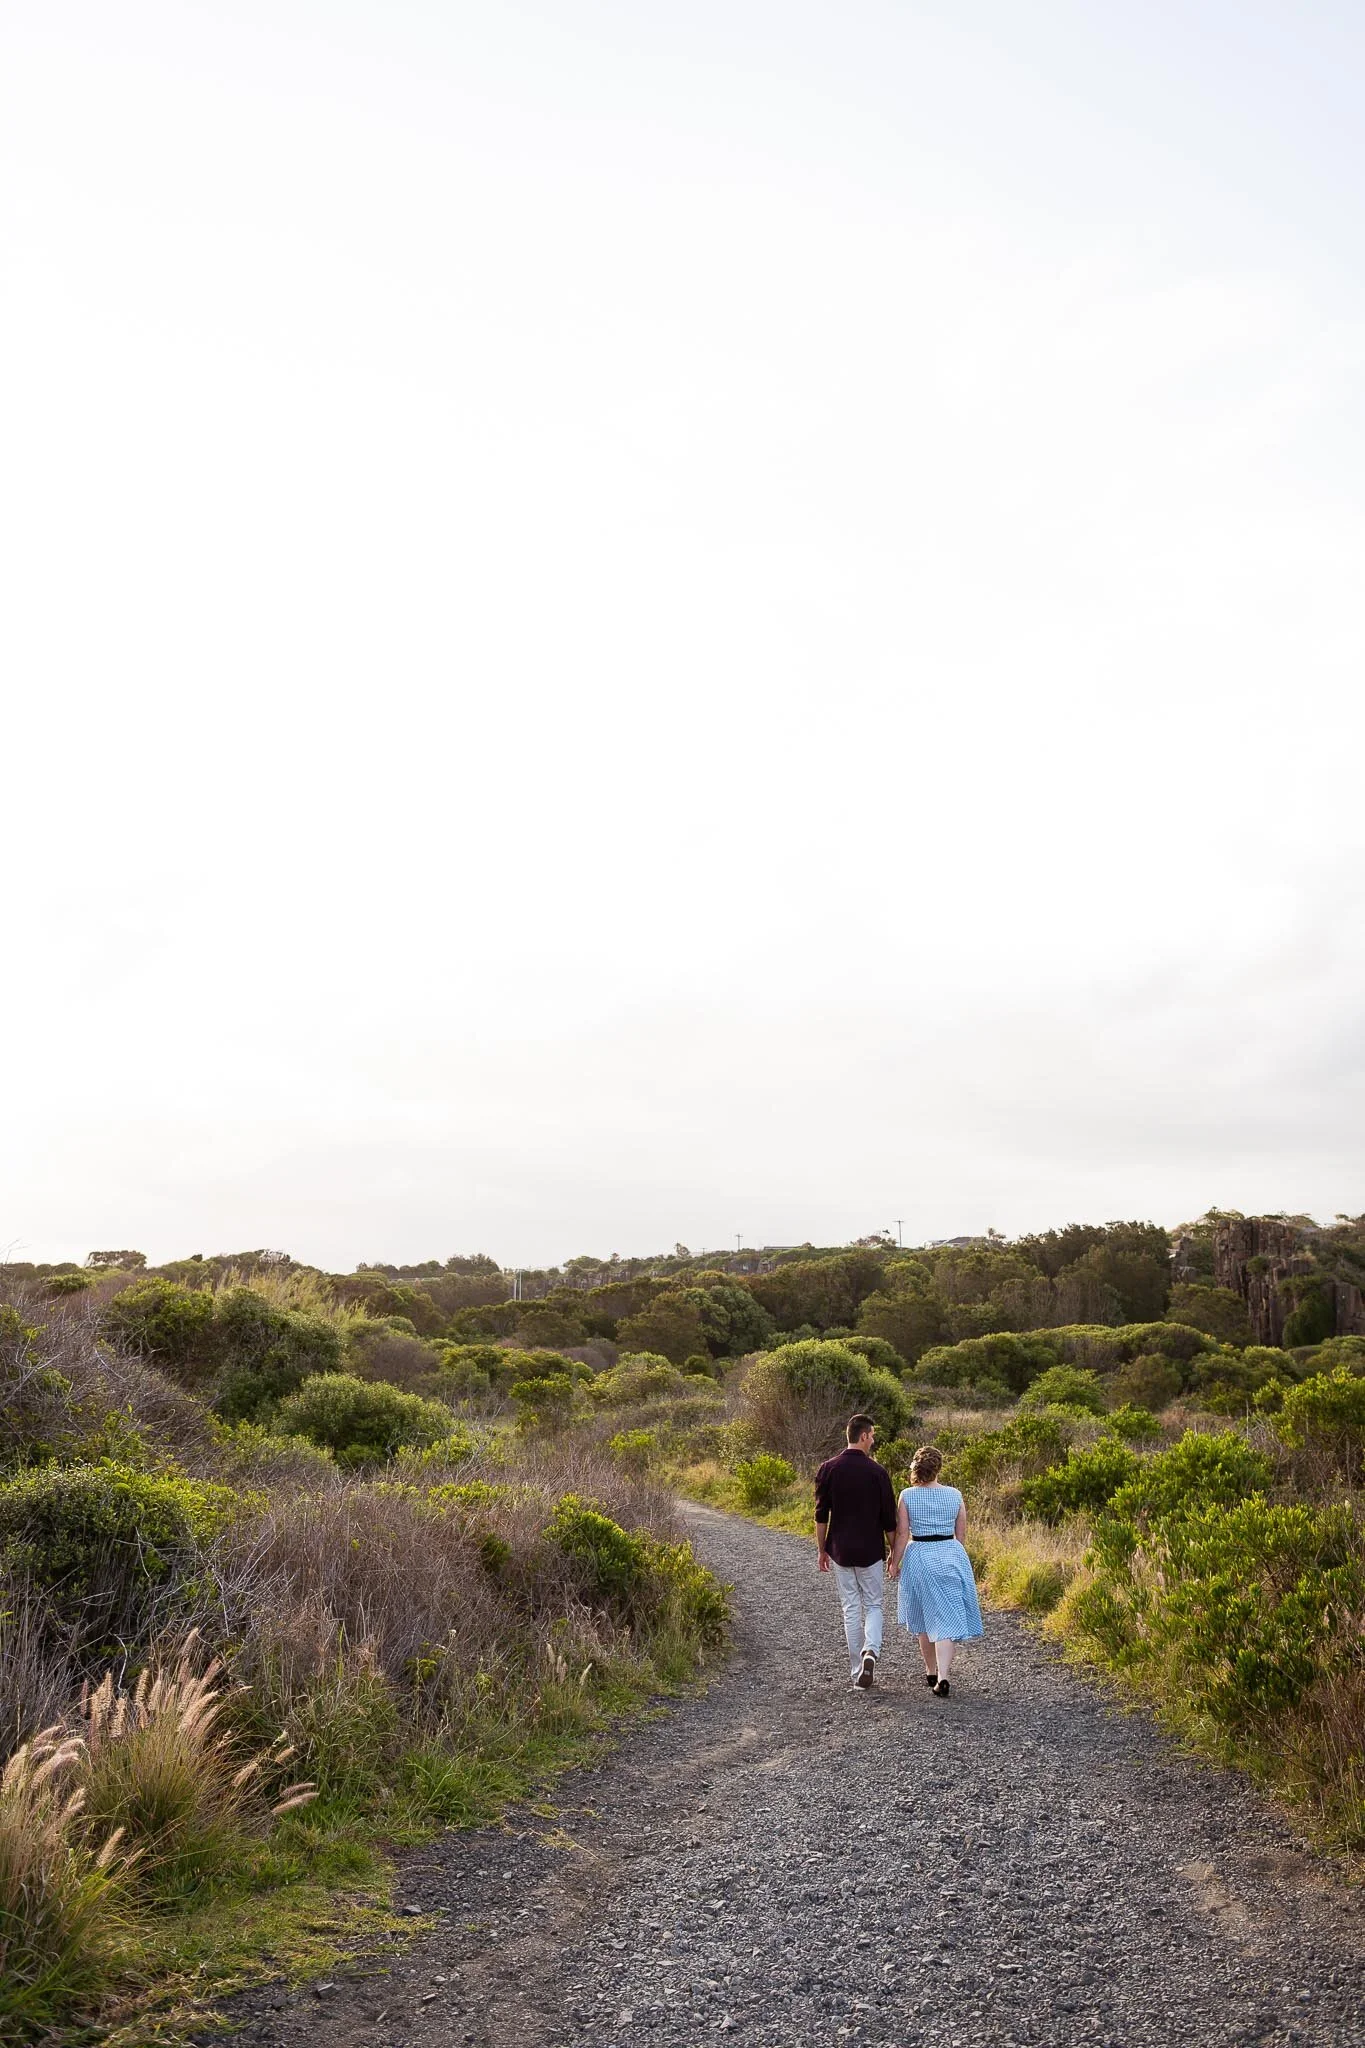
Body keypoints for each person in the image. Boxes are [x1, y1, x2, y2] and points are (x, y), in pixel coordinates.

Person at [886, 1444, 982, 1698]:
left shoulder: (907, 1495)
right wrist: (953, 1557)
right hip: (950, 1554)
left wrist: (894, 1562)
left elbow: (903, 1533)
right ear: (938, 1468)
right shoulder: (955, 1494)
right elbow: (960, 1535)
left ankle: (930, 1671)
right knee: (947, 1617)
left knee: (923, 1618)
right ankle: (943, 1676)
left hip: (920, 1555)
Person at [814, 1413, 897, 1690]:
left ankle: (857, 1671)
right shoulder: (878, 1472)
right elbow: (889, 1520)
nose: (873, 1440)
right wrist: (894, 1553)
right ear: (863, 1436)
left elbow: (821, 1514)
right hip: (870, 1550)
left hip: (840, 1549)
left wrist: (822, 1549)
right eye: (872, 1435)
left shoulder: (828, 1468)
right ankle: (870, 1651)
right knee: (873, 1604)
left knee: (851, 1606)